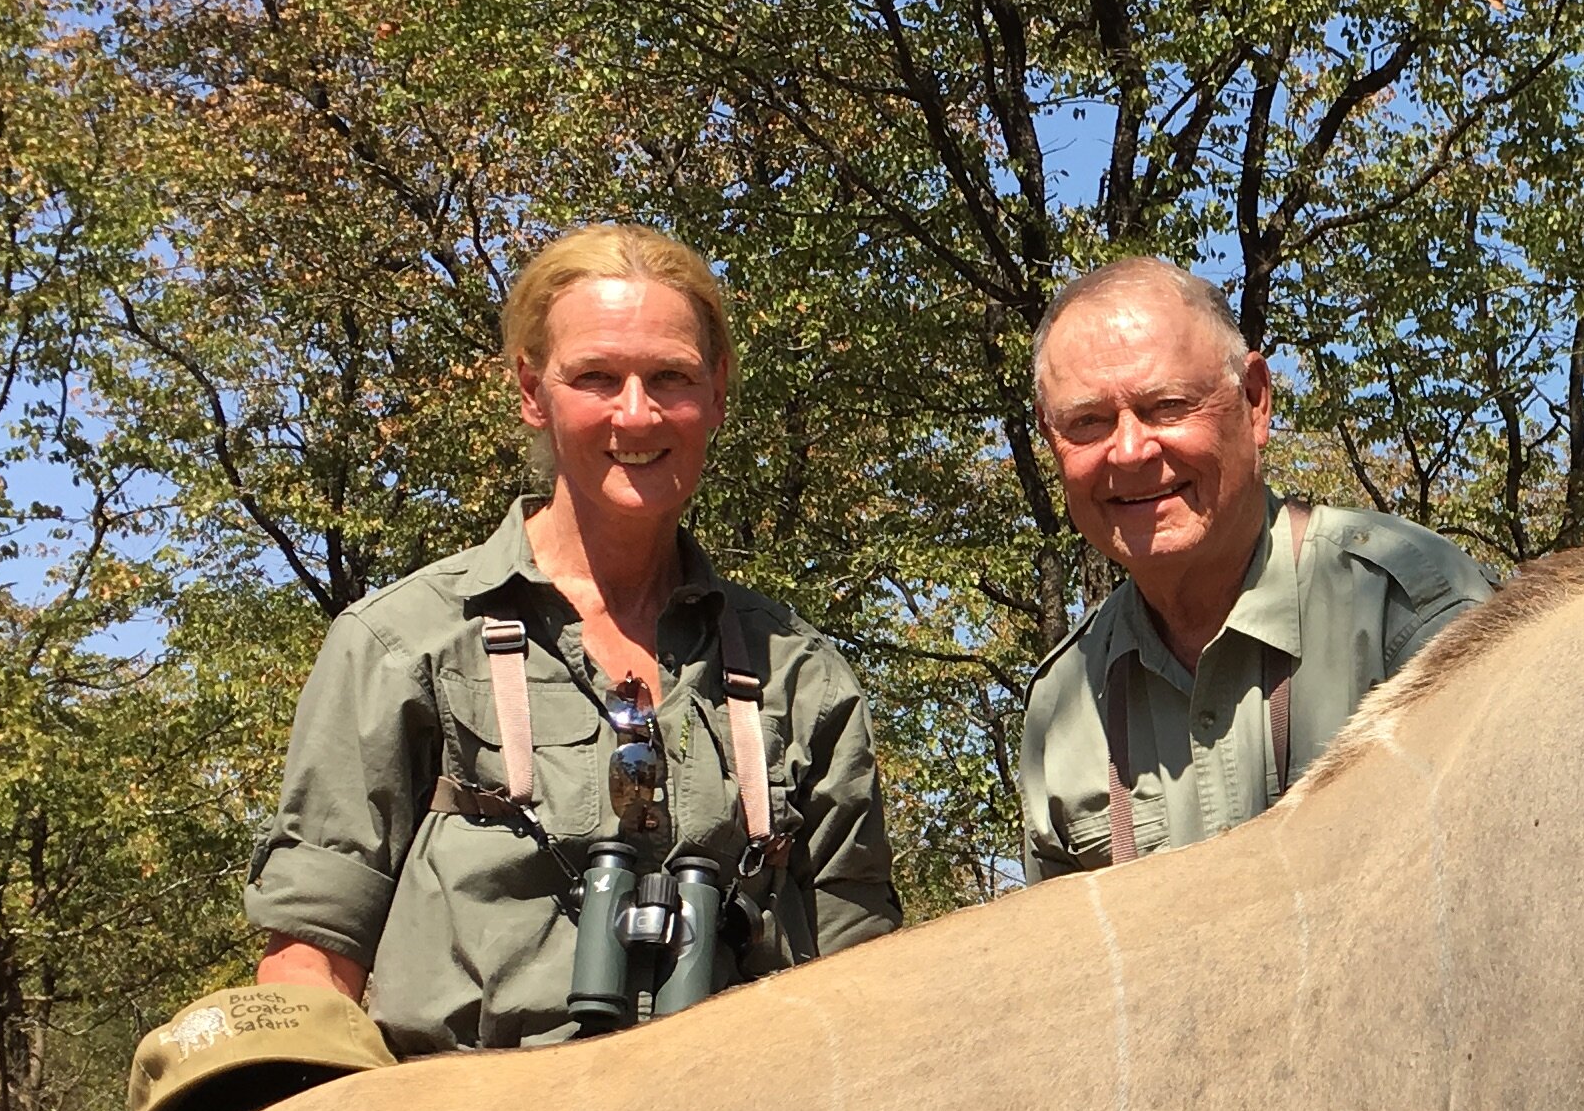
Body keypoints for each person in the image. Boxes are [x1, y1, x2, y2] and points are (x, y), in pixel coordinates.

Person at [245, 223, 901, 1054]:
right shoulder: (400, 645)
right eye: (596, 377)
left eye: (672, 377)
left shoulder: (798, 675)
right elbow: (310, 958)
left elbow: (863, 961)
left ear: (719, 394)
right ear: (532, 390)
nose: (637, 412)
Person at [1014, 256, 1492, 879]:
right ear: (1052, 442)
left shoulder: (1410, 608)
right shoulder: (1061, 704)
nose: (1129, 452)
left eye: (1166, 406)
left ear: (1255, 402)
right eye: (1087, 423)